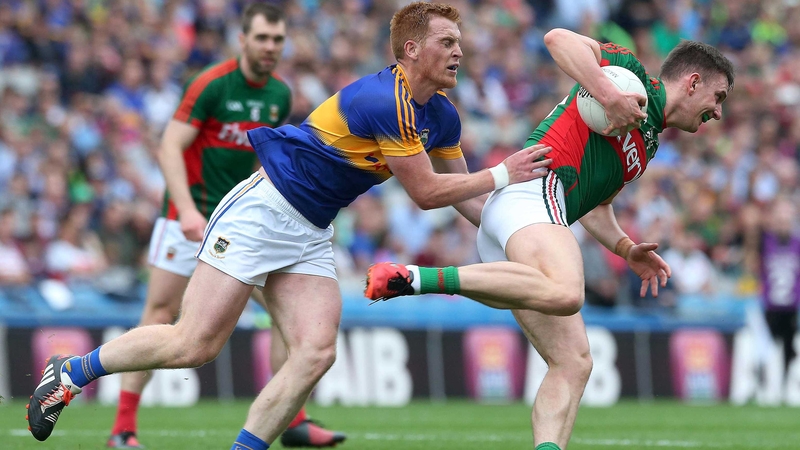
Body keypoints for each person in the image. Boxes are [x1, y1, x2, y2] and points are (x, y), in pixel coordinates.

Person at [25, 3, 552, 449]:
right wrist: (504, 172)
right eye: (447, 41)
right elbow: (426, 193)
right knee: (194, 343)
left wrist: (523, 234)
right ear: (412, 49)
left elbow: (464, 195)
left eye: (460, 41)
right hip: (264, 212)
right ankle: (70, 373)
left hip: (311, 231)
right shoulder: (383, 100)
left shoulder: (444, 116)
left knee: (317, 351)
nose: (460, 51)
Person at [366, 29, 734, 450]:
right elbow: (557, 38)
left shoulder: (647, 142)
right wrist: (606, 92)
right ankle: (415, 279)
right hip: (534, 191)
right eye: (718, 97)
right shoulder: (629, 74)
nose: (718, 113)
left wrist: (625, 247)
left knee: (573, 361)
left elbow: (596, 207)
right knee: (566, 291)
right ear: (693, 82)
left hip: (523, 222)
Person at [100, 4, 343, 449]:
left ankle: (293, 422)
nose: (270, 47)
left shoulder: (279, 95)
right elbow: (170, 147)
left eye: (278, 40)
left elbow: (265, 162)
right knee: (162, 315)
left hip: (243, 224)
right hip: (187, 218)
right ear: (243, 40)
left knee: (285, 309)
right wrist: (189, 211)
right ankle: (123, 429)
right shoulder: (211, 84)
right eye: (263, 38)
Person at [756, 197, 800, 375]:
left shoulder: (797, 244)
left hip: (791, 307)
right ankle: (769, 385)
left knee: (790, 349)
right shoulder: (765, 242)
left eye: (786, 222)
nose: (783, 225)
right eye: (780, 221)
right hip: (770, 306)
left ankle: (788, 384)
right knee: (769, 350)